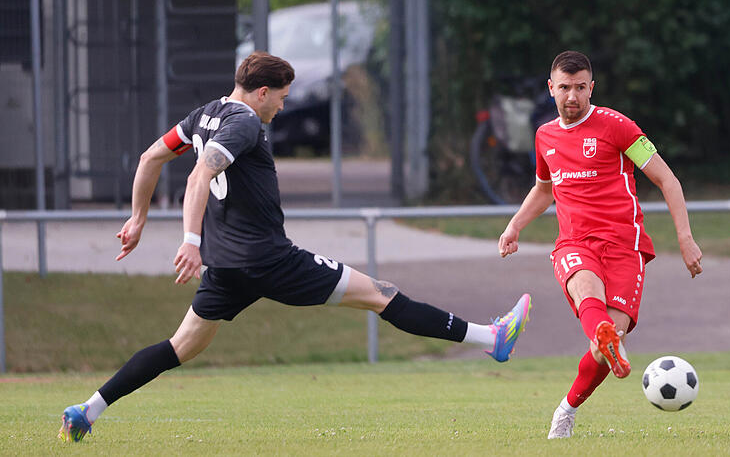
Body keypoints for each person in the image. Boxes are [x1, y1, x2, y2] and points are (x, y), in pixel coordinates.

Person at [58, 51, 532, 443]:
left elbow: (150, 157)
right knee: (382, 294)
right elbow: (201, 175)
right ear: (261, 92)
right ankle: (491, 340)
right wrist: (190, 241)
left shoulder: (203, 115)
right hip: (269, 260)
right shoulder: (243, 123)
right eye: (281, 99)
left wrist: (138, 218)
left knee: (179, 346)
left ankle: (88, 410)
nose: (281, 108)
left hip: (227, 270)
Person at [497, 50, 702, 439]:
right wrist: (515, 225)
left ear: (592, 87)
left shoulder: (618, 127)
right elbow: (544, 188)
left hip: (625, 247)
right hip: (575, 242)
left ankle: (568, 407)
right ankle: (607, 336)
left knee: (604, 344)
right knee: (586, 288)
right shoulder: (545, 136)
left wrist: (686, 239)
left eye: (579, 88)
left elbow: (667, 180)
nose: (571, 96)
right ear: (550, 89)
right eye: (564, 88)